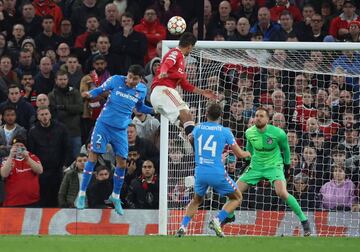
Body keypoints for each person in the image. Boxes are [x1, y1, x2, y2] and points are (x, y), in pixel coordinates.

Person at [75, 64, 154, 215]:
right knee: (92, 156)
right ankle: (82, 194)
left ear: (140, 80)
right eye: (130, 77)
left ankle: (115, 196)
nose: (131, 81)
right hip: (103, 125)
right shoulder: (116, 80)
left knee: (122, 164)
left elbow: (140, 107)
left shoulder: (141, 90)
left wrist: (154, 110)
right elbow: (100, 90)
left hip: (120, 130)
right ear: (127, 74)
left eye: (135, 79)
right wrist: (89, 94)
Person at [224, 107, 312, 236]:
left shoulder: (278, 133)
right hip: (256, 166)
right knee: (233, 191)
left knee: (281, 192)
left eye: (261, 116)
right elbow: (249, 147)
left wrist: (287, 167)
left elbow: (286, 150)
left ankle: (304, 221)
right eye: (256, 115)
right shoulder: (249, 132)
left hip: (273, 166)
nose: (258, 118)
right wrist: (247, 161)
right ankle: (230, 216)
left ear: (268, 119)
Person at [176, 102, 251, 237]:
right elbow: (240, 154)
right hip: (217, 172)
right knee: (237, 197)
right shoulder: (225, 131)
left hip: (200, 172)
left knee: (196, 200)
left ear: (206, 114)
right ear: (221, 115)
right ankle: (217, 220)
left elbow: (191, 140)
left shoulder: (198, 128)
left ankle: (183, 226)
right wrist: (249, 153)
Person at [150, 32, 217, 138]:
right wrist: (163, 71)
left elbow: (185, 85)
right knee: (186, 114)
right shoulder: (175, 52)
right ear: (190, 46)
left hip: (164, 94)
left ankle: (195, 146)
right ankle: (196, 145)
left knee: (186, 120)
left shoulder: (181, 62)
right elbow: (167, 62)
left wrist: (202, 92)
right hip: (163, 90)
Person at [0, 136, 43, 207]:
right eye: (16, 146)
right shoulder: (6, 159)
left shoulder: (32, 157)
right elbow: (4, 174)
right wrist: (11, 156)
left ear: (25, 148)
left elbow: (40, 170)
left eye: (21, 146)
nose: (19, 148)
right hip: (12, 202)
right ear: (12, 148)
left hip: (32, 201)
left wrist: (27, 158)